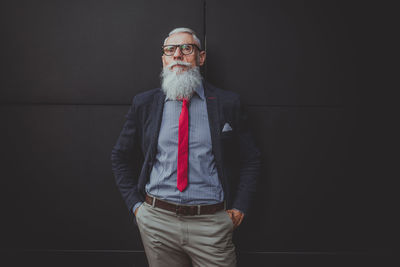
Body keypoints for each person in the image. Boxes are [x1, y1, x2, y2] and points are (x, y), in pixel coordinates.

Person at [111, 27, 260, 267]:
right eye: (170, 50)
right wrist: (138, 209)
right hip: (157, 222)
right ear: (164, 59)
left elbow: (251, 159)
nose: (177, 55)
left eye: (186, 48)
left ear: (200, 57)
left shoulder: (227, 103)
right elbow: (120, 156)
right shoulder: (145, 103)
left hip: (211, 224)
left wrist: (240, 207)